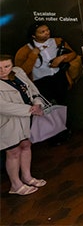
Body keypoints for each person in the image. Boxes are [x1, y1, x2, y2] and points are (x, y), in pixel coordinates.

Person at [0, 54, 46, 195]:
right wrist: (29, 110)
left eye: (6, 66)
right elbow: (2, 106)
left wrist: (37, 103)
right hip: (7, 121)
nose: (3, 70)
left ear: (12, 65)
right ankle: (15, 184)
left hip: (26, 118)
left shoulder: (18, 73)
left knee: (26, 145)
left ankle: (27, 177)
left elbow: (32, 90)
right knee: (13, 151)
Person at [14, 23, 79, 105]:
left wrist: (63, 58)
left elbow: (73, 54)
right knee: (47, 108)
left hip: (59, 77)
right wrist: (33, 56)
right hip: (40, 83)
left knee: (64, 104)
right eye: (42, 32)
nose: (47, 33)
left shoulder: (57, 41)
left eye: (47, 30)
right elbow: (21, 73)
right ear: (34, 36)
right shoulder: (25, 50)